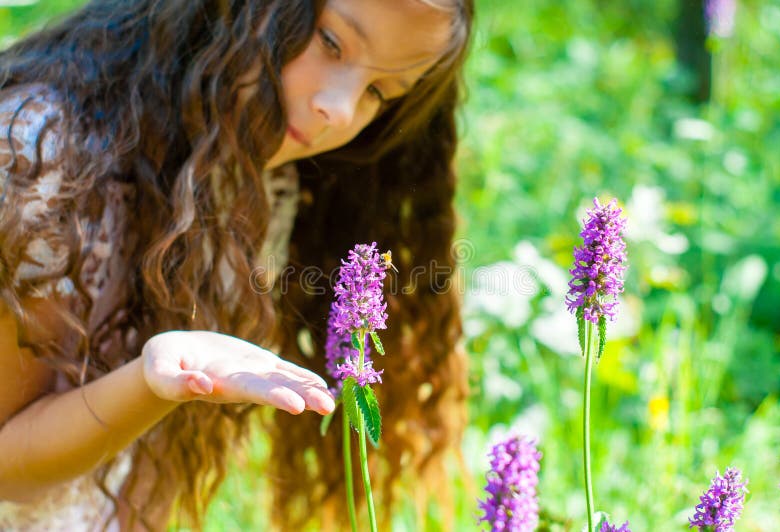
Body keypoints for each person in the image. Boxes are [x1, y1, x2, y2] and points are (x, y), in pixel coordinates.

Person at [0, 0, 473, 529]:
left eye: (378, 92)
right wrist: (154, 381)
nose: (340, 110)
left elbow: (141, 484)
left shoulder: (261, 187)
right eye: (332, 43)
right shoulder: (39, 157)